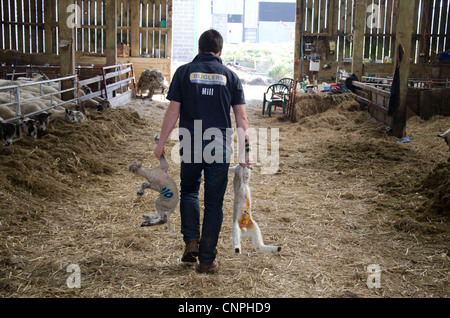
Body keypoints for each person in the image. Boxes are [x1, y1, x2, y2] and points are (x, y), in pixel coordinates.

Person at [153, 29, 251, 273]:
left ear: (198, 49)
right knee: (214, 203)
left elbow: (173, 111)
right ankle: (207, 260)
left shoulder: (184, 72)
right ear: (220, 51)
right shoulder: (231, 76)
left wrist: (161, 142)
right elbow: (242, 119)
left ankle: (191, 242)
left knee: (189, 193)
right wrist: (245, 152)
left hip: (191, 143)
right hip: (219, 147)